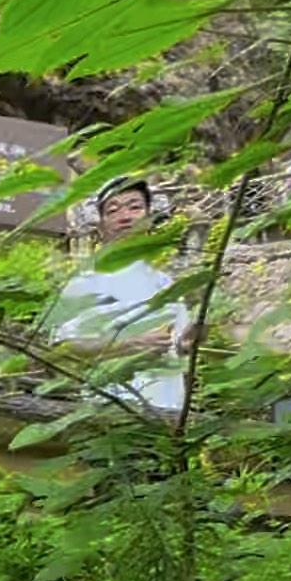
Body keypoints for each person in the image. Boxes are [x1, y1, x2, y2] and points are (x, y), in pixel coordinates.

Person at [53, 177, 193, 413]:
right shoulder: (85, 282)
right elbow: (63, 350)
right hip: (108, 412)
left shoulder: (166, 283)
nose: (125, 216)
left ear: (149, 218)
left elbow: (182, 346)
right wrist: (129, 345)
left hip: (168, 412)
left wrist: (192, 339)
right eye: (113, 210)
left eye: (135, 207)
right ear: (100, 226)